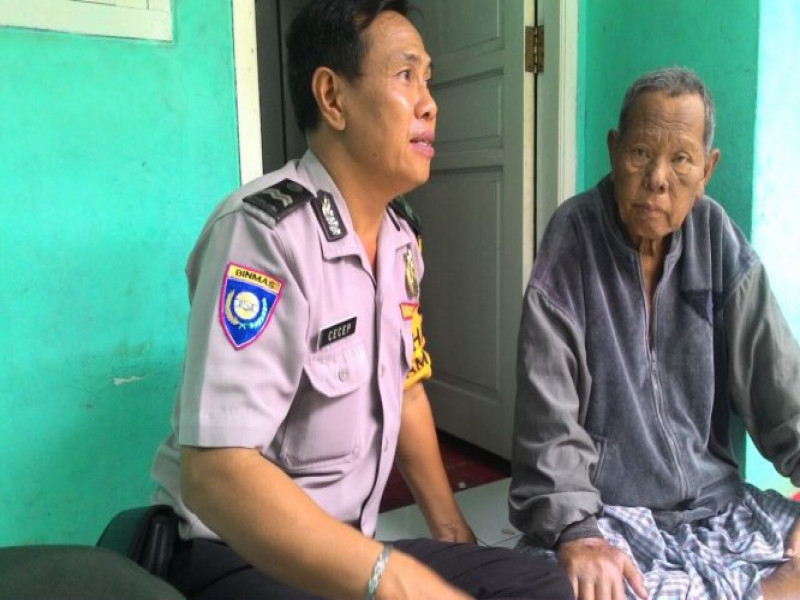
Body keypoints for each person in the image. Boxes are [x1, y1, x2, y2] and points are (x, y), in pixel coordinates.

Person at [149, 1, 572, 599]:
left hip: (346, 550)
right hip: (235, 552)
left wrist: (453, 535)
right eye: (406, 75)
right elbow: (215, 472)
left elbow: (407, 387)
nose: (430, 103)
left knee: (540, 584)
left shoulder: (401, 242)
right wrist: (389, 578)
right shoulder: (263, 237)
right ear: (333, 97)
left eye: (428, 79)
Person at [509, 65, 800, 600]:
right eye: (641, 152)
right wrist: (576, 531)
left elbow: (780, 382)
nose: (658, 178)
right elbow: (547, 415)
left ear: (707, 169)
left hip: (717, 507)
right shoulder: (573, 237)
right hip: (609, 512)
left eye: (681, 159)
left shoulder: (716, 237)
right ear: (614, 150)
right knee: (555, 586)